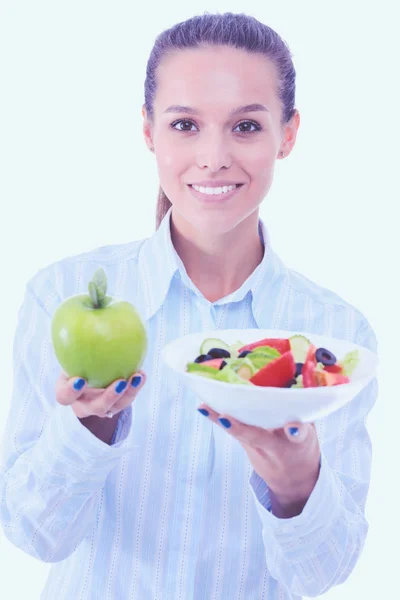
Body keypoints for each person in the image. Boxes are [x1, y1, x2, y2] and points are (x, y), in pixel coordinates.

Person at [0, 11, 378, 600]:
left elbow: (320, 575)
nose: (213, 157)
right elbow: (33, 536)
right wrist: (90, 426)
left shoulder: (335, 335)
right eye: (184, 124)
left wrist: (299, 488)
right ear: (148, 130)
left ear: (290, 133)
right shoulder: (59, 295)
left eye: (247, 127)